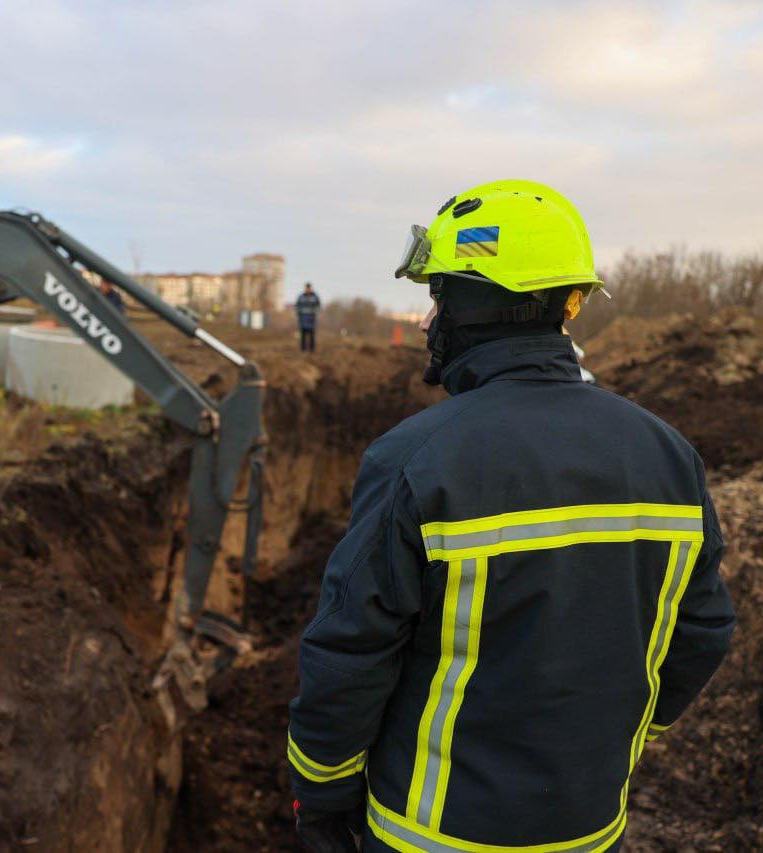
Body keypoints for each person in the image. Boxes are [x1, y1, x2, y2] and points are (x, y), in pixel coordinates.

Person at [286, 180, 734, 853]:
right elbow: (701, 629)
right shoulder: (668, 454)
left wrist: (321, 797)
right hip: (588, 829)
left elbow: (352, 651)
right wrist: (621, 737)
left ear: (472, 306)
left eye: (438, 296)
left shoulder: (415, 458)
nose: (431, 320)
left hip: (430, 832)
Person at [296, 282, 321, 351]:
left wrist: (314, 312)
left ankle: (312, 350)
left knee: (312, 335)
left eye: (309, 288)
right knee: (303, 335)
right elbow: (297, 307)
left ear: (311, 288)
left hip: (311, 319)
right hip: (303, 319)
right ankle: (303, 349)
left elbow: (318, 306)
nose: (308, 289)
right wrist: (299, 315)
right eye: (307, 288)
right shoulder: (301, 297)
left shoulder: (315, 297)